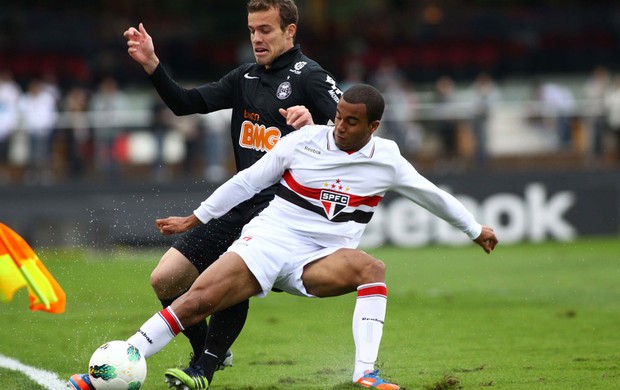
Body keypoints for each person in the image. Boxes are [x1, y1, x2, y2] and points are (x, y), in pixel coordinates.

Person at [79, 84, 498, 390]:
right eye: (337, 117)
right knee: (195, 302)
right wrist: (196, 217)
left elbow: (433, 196)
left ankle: (365, 373)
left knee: (372, 268)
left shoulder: (387, 159)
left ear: (374, 125)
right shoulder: (305, 141)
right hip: (267, 242)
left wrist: (475, 230)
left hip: (320, 258)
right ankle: (117, 363)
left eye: (352, 122)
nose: (340, 127)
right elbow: (246, 181)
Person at [68, 1, 342, 389]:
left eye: (266, 29)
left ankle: (205, 368)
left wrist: (316, 126)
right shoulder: (244, 77)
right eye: (252, 30)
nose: (257, 38)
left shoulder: (310, 77)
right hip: (238, 202)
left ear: (290, 31)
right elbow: (186, 104)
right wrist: (152, 64)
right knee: (165, 279)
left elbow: (353, 134)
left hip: (279, 213)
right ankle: (208, 350)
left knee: (229, 281)